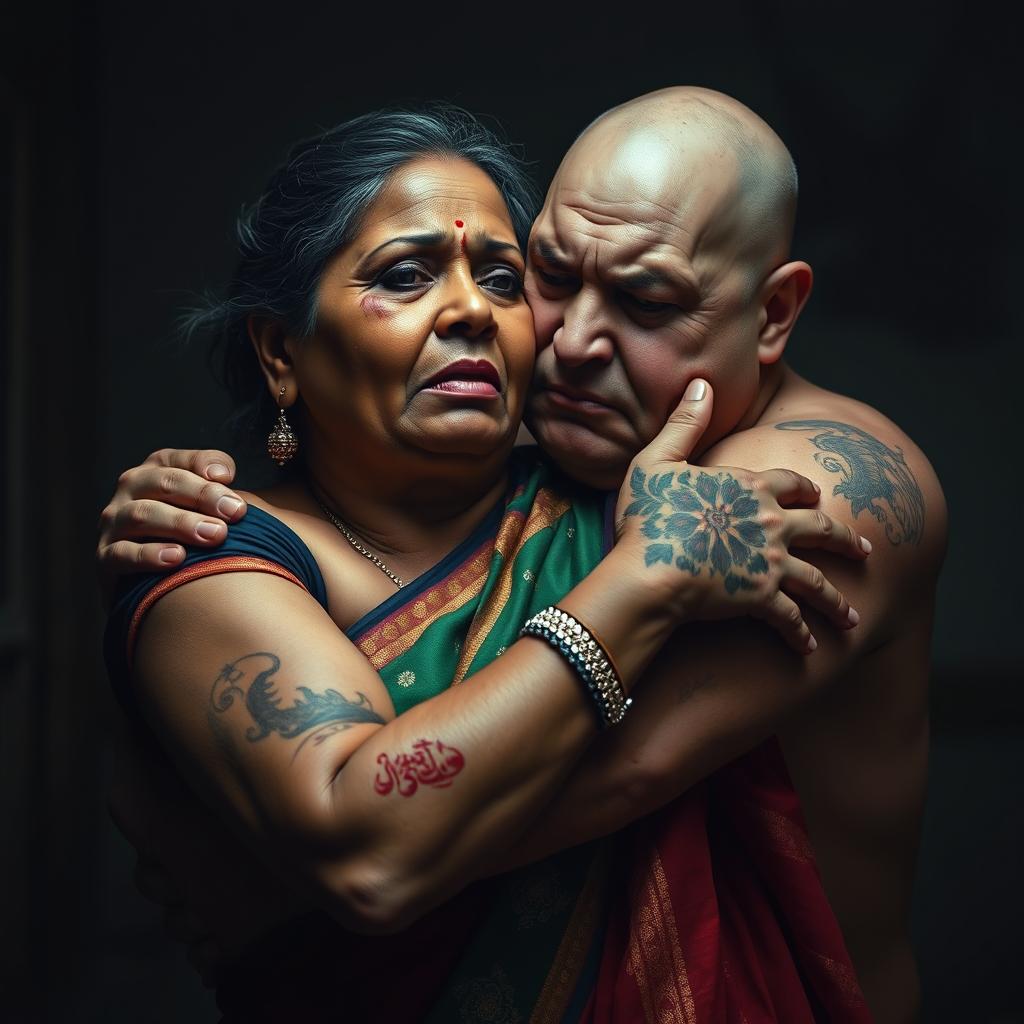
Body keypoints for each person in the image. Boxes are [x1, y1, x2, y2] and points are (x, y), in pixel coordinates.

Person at [100, 89, 945, 1021]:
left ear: (775, 313)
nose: (570, 342)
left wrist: (272, 862)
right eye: (546, 275)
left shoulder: (805, 495)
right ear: (280, 350)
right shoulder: (218, 551)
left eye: (500, 280)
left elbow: (397, 850)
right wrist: (646, 576)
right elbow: (380, 845)